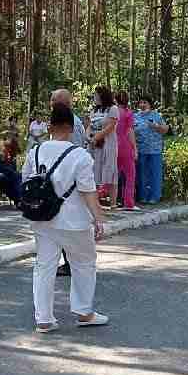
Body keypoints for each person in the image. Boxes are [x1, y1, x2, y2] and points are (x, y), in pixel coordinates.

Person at [28, 102, 110, 332]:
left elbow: (27, 181)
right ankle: (84, 312)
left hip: (42, 218)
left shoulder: (34, 151)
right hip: (74, 221)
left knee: (44, 265)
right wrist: (98, 218)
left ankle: (43, 319)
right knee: (83, 263)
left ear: (49, 126)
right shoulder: (80, 155)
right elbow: (87, 190)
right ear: (72, 127)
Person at [87, 86, 120, 208]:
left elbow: (110, 127)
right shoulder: (94, 110)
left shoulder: (113, 109)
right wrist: (89, 137)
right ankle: (94, 202)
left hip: (107, 144)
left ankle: (113, 203)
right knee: (93, 171)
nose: (94, 97)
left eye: (96, 95)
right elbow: (89, 126)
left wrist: (96, 138)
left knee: (110, 170)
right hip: (94, 145)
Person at [132, 97, 169, 205]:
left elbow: (165, 129)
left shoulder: (156, 115)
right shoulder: (135, 117)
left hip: (155, 150)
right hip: (141, 149)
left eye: (145, 103)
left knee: (155, 174)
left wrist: (156, 126)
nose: (143, 105)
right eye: (141, 102)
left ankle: (155, 196)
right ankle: (142, 196)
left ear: (150, 104)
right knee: (142, 174)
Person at [113, 90, 139, 210]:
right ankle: (128, 202)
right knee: (130, 174)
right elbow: (129, 131)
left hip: (113, 145)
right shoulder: (128, 113)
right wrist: (134, 148)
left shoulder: (111, 112)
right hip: (125, 145)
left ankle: (106, 198)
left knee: (112, 174)